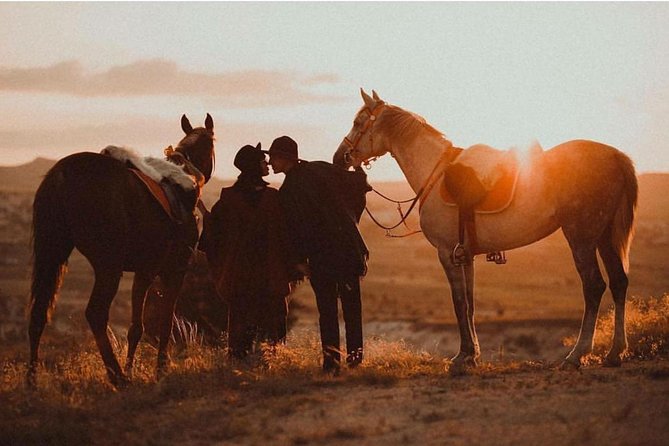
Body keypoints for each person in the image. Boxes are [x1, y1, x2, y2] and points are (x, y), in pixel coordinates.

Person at [265, 135, 371, 373]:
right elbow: (358, 184)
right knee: (351, 307)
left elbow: (294, 232)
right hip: (346, 250)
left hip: (322, 258)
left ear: (284, 158)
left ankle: (332, 364)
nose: (270, 162)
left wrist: (300, 262)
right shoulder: (320, 169)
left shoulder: (287, 192)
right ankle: (354, 360)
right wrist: (351, 221)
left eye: (273, 157)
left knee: (328, 310)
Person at [200, 143, 293, 359]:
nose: (267, 164)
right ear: (253, 166)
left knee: (241, 318)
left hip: (240, 274)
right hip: (269, 272)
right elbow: (284, 234)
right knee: (273, 323)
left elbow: (216, 234)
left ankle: (239, 361)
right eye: (262, 161)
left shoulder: (230, 198)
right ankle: (273, 359)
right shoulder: (272, 198)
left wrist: (206, 215)